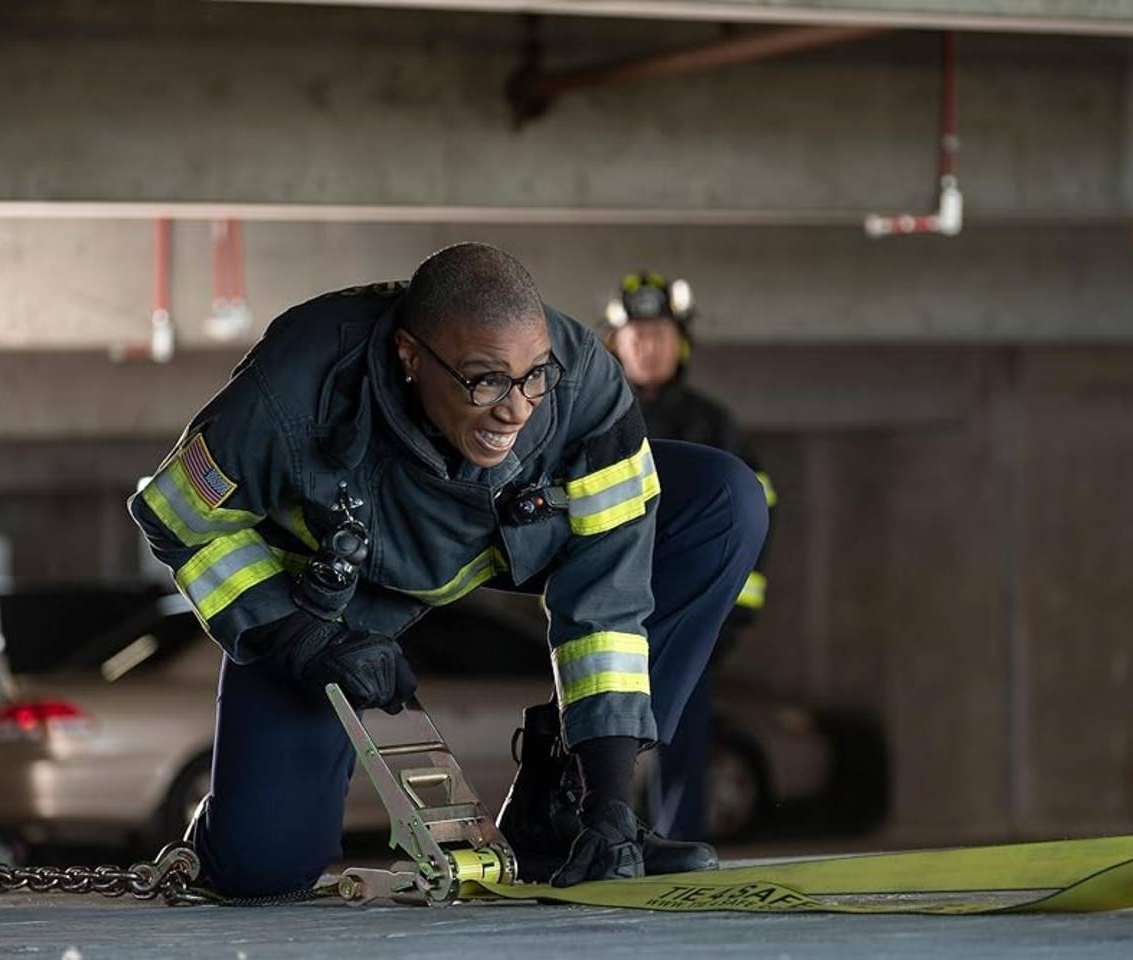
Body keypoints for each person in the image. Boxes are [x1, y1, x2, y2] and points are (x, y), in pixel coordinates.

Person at [128, 243, 768, 896]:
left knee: (721, 501)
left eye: (533, 378)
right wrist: (301, 635)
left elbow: (611, 596)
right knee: (259, 870)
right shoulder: (292, 386)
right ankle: (224, 846)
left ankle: (558, 816)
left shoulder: (584, 382)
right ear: (410, 356)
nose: (516, 409)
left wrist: (606, 802)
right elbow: (177, 515)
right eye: (484, 380)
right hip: (323, 597)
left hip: (503, 537)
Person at [602, 270, 775, 841]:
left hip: (686, 615)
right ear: (616, 343)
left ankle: (673, 847)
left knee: (680, 740)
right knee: (591, 737)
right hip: (604, 614)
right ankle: (594, 839)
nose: (648, 346)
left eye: (660, 334)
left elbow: (754, 522)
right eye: (637, 336)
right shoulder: (594, 419)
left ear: (682, 344)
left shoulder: (713, 425)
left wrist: (726, 620)